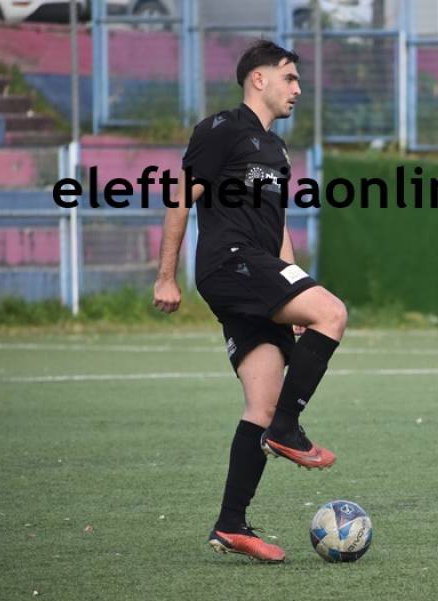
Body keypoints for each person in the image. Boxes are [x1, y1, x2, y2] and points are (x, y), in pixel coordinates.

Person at [152, 40, 347, 563]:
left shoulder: (277, 150)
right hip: (230, 264)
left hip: (260, 273)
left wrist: (296, 287)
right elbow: (179, 196)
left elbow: (278, 228)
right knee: (334, 312)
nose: (298, 89)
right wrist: (166, 277)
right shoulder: (221, 129)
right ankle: (288, 429)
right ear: (258, 79)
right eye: (290, 78)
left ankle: (230, 524)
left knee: (260, 405)